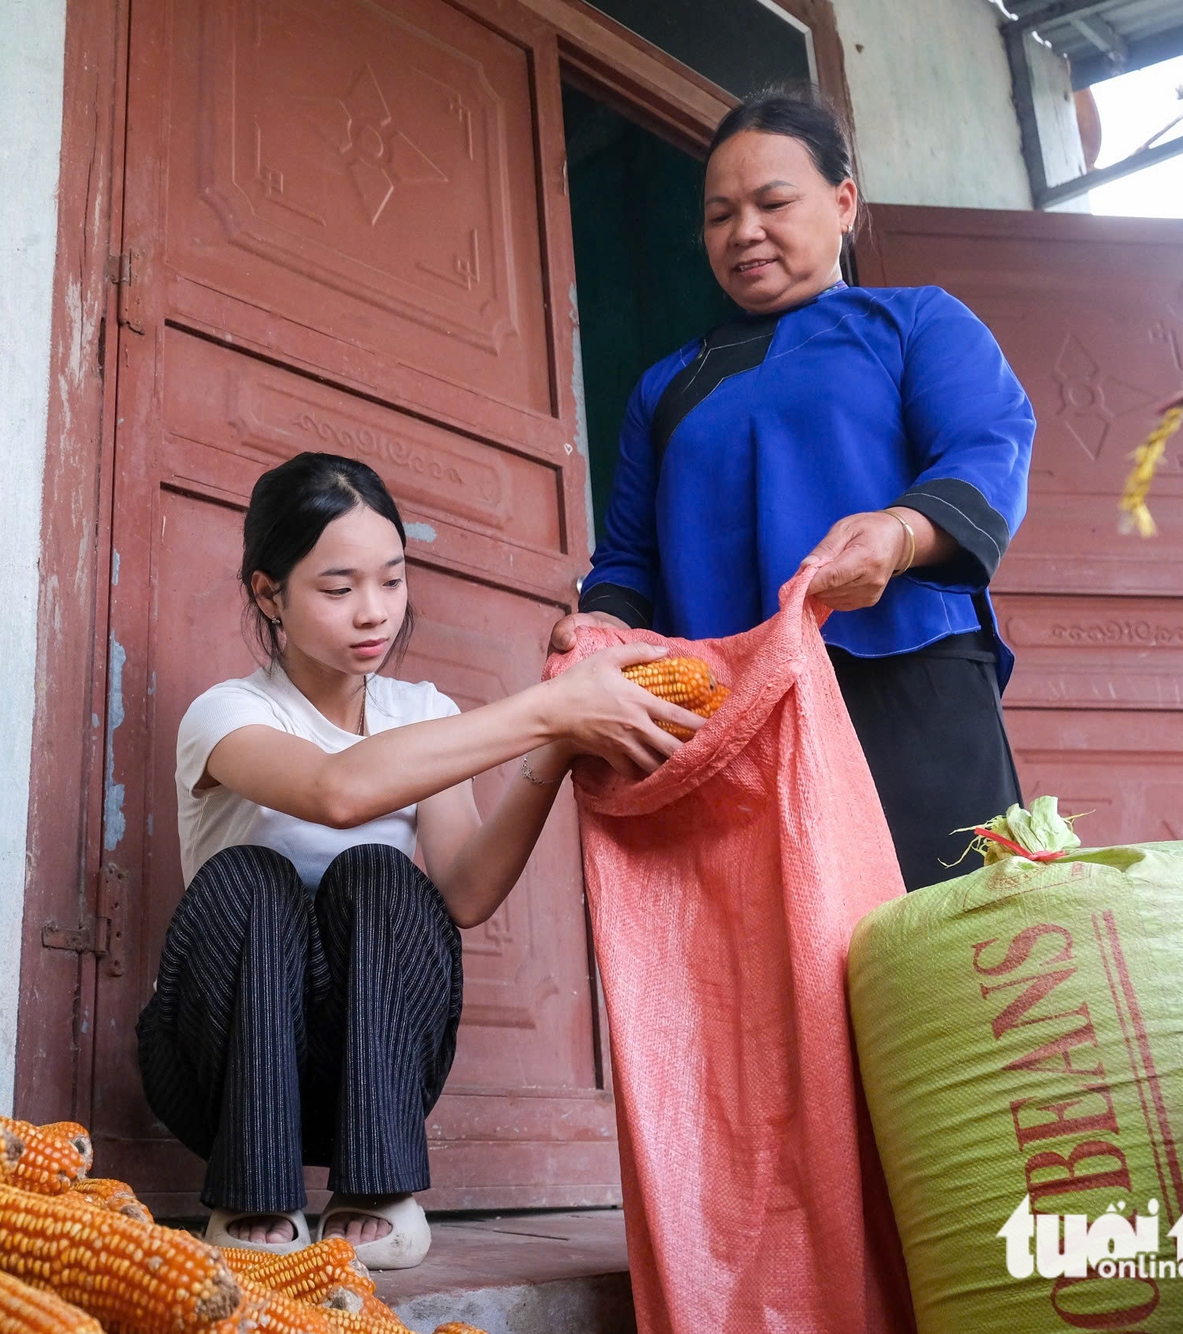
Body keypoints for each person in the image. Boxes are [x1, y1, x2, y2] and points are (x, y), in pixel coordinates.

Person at [136, 451, 695, 1267]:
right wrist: (545, 706)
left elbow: (464, 893)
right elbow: (337, 791)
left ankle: (376, 1186)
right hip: (226, 1071)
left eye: (391, 582)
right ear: (268, 594)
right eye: (338, 589)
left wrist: (559, 739)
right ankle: (252, 1189)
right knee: (252, 878)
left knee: (380, 876)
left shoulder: (419, 713)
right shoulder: (228, 713)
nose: (374, 613)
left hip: (374, 1078)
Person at [554, 87, 1036, 890]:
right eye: (719, 215)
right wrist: (598, 628)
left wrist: (900, 533)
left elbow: (985, 451)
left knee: (952, 954)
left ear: (843, 202)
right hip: (733, 712)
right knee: (774, 967)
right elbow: (630, 559)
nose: (745, 232)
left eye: (773, 202)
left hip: (907, 674)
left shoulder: (915, 323)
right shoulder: (666, 386)